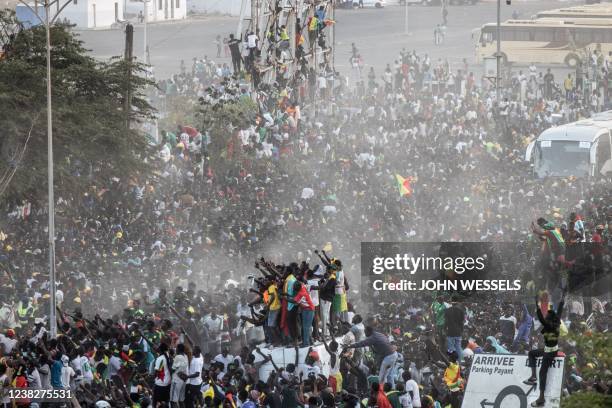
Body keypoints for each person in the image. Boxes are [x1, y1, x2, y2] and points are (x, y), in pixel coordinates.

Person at [524, 287, 567, 407]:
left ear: (549, 319)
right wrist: (563, 296)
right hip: (550, 350)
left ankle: (541, 398)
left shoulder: (548, 325)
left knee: (543, 373)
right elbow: (560, 309)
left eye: (547, 315)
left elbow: (540, 315)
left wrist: (535, 302)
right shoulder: (555, 321)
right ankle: (533, 377)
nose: (546, 316)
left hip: (550, 353)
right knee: (532, 353)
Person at [444, 297, 464, 363]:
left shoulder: (447, 310)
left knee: (451, 348)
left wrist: (444, 329)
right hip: (458, 332)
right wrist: (461, 330)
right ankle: (459, 363)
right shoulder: (461, 310)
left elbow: (446, 322)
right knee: (458, 348)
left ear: (451, 302)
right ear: (457, 302)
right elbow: (462, 322)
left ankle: (453, 363)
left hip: (450, 332)